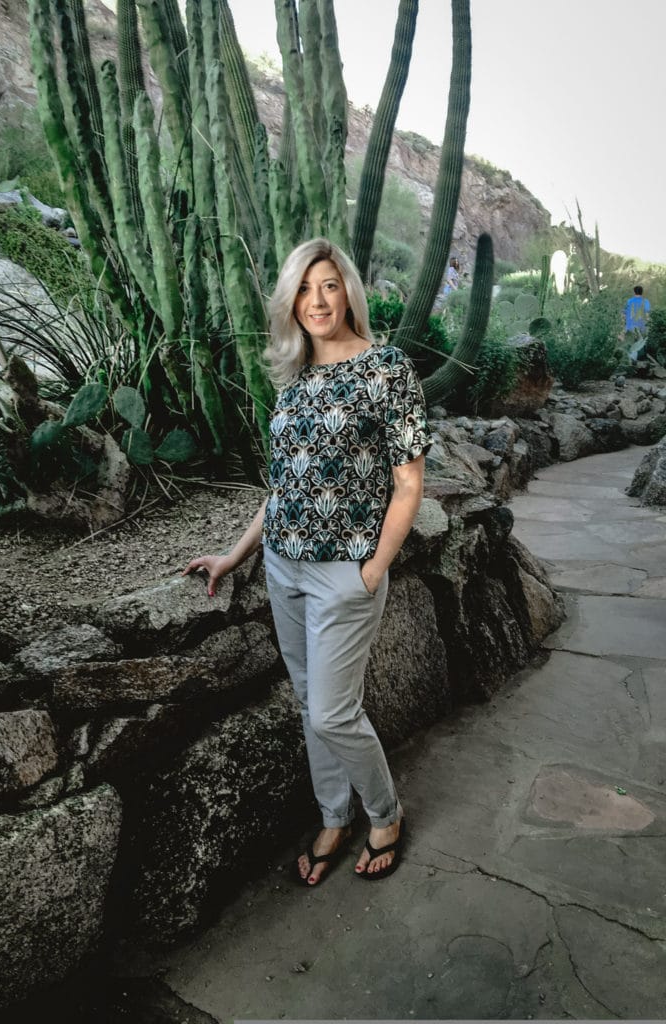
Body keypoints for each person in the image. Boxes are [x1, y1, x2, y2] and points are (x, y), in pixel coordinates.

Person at [183, 238, 432, 886]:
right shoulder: (294, 381)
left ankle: (384, 813)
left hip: (343, 574)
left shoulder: (385, 367)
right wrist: (235, 555)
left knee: (332, 711)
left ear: (347, 289)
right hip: (282, 567)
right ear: (289, 302)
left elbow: (408, 484)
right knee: (306, 704)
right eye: (303, 289)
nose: (316, 300)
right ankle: (332, 816)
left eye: (327, 285)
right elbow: (284, 490)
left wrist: (372, 570)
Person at [624, 285, 651, 363]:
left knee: (631, 345)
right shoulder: (645, 301)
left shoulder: (629, 301)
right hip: (641, 325)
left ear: (634, 292)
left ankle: (631, 361)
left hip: (630, 326)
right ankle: (640, 361)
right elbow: (647, 314)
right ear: (642, 292)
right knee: (641, 344)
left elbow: (624, 313)